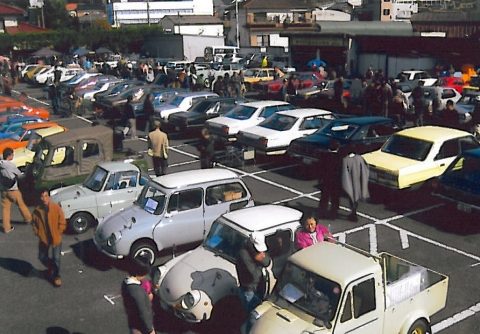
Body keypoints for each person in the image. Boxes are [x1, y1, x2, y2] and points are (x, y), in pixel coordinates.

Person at [236, 231, 271, 331]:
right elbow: (254, 275)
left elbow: (267, 261)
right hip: (248, 290)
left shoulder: (256, 254)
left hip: (258, 289)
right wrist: (258, 260)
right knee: (252, 317)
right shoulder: (243, 254)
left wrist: (259, 259)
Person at [31, 189, 66, 287]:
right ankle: (53, 268)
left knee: (56, 258)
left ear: (49, 197)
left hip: (55, 237)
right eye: (42, 196)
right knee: (42, 257)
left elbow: (62, 221)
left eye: (46, 196)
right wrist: (37, 232)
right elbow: (34, 223)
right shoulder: (37, 210)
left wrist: (59, 231)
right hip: (44, 238)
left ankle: (56, 276)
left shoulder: (56, 207)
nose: (44, 199)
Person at [1, 148, 32, 233]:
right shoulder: (10, 165)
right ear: (9, 156)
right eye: (12, 154)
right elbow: (19, 175)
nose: (13, 156)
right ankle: (28, 219)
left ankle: (6, 228)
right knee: (21, 205)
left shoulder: (1, 164)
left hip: (4, 190)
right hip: (13, 190)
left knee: (6, 209)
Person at [121, 260, 156, 334]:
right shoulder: (137, 292)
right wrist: (150, 329)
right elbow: (143, 313)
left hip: (133, 321)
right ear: (139, 274)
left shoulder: (125, 283)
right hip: (141, 326)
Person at [341, 149, 370, 222]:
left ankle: (353, 213)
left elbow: (344, 173)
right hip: (358, 181)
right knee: (356, 198)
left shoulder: (345, 160)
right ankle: (354, 212)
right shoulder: (359, 158)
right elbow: (365, 168)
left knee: (351, 197)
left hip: (350, 181)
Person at [318, 139, 344, 220]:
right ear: (338, 148)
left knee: (324, 197)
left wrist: (320, 179)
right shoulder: (340, 158)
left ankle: (322, 212)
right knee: (335, 198)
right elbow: (341, 171)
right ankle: (333, 213)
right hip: (336, 181)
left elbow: (320, 169)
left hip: (326, 180)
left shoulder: (324, 156)